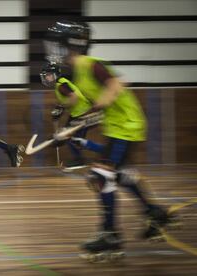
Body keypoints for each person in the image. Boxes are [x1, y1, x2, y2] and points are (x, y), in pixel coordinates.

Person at [44, 20, 177, 260]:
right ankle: (155, 212)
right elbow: (88, 108)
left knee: (100, 175)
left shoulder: (89, 65)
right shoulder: (77, 75)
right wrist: (69, 130)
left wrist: (99, 106)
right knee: (120, 175)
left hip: (126, 126)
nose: (55, 50)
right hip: (118, 127)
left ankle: (110, 234)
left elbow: (115, 84)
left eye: (58, 45)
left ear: (70, 45)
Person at [40, 61, 92, 171]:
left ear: (55, 75)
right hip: (77, 113)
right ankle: (79, 159)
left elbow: (74, 98)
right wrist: (56, 128)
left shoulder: (61, 85)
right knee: (68, 135)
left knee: (72, 137)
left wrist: (62, 106)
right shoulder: (59, 86)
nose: (46, 78)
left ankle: (79, 160)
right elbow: (60, 110)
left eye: (48, 75)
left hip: (83, 113)